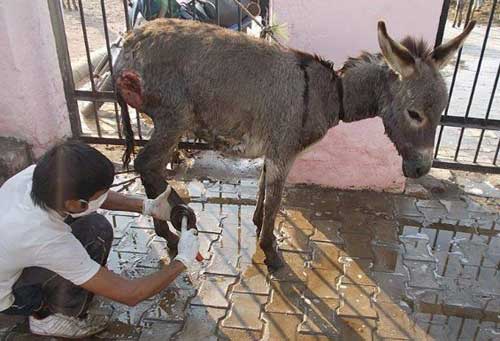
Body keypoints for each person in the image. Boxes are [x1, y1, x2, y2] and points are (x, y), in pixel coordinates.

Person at [0, 141, 200, 338]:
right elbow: (130, 294)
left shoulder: (37, 177)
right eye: (101, 193)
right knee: (95, 233)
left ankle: (80, 281)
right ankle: (47, 317)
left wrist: (146, 206)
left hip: (13, 253)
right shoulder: (45, 239)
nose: (104, 196)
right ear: (75, 204)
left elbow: (91, 198)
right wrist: (182, 260)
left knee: (92, 225)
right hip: (12, 297)